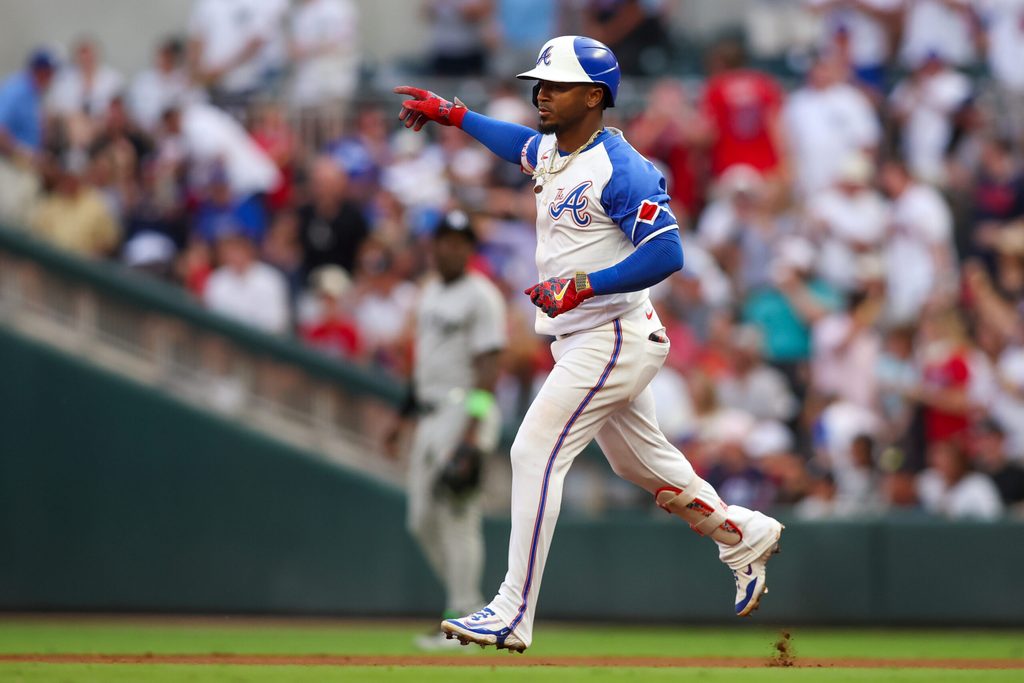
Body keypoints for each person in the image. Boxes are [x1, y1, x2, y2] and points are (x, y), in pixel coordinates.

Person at [394, 35, 784, 653]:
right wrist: (456, 114)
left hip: (612, 333)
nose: (542, 93)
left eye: (557, 85)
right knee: (637, 463)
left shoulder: (620, 167)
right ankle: (740, 533)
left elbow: (668, 251)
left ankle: (511, 612)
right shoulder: (553, 152)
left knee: (533, 450)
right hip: (586, 337)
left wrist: (586, 284)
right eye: (540, 84)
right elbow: (514, 143)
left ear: (596, 95)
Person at [390, 211, 507, 650]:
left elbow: (490, 367)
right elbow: (423, 364)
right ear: (433, 245)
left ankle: (461, 618)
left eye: (460, 241)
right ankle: (473, 606)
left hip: (463, 411)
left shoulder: (482, 297)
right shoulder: (430, 292)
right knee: (420, 521)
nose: (450, 247)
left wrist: (472, 433)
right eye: (444, 239)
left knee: (458, 520)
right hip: (428, 413)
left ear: (470, 249)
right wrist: (401, 418)